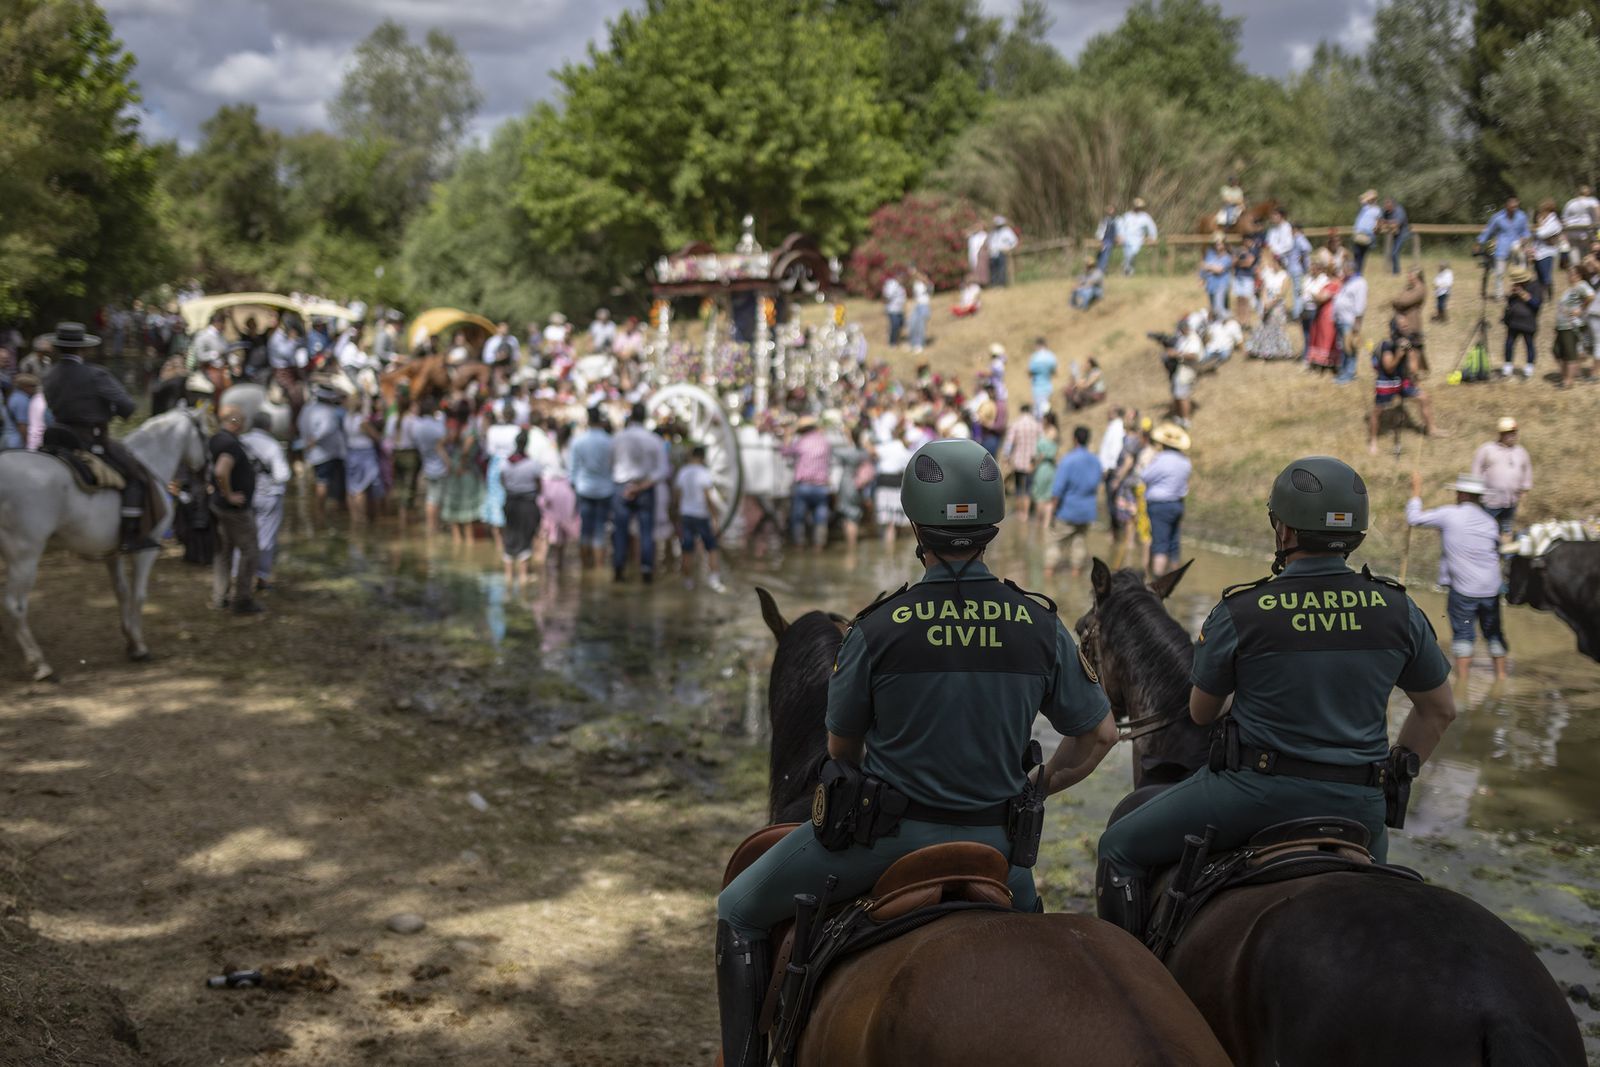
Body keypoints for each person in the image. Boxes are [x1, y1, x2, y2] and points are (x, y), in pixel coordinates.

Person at [714, 438, 1116, 1067]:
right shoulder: (1040, 624)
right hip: (1000, 854)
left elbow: (840, 748)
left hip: (884, 843)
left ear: (913, 523)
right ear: (992, 525)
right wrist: (1037, 789)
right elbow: (1100, 736)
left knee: (737, 910)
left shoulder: (877, 627)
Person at [1096, 456, 1458, 940]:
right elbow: (1440, 710)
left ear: (1284, 532)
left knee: (1119, 845)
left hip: (1254, 796)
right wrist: (1391, 771)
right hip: (1360, 811)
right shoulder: (1399, 609)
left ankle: (1131, 977)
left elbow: (1201, 713)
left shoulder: (1241, 609)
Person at [40, 323, 158, 552]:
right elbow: (127, 406)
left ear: (58, 348)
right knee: (137, 477)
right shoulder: (95, 374)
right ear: (83, 349)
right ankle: (130, 534)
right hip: (90, 439)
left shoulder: (48, 375)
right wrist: (107, 412)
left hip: (55, 438)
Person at [1407, 473, 1508, 681]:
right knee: (1494, 632)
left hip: (1464, 590)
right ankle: (1501, 677)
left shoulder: (1450, 515)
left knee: (1463, 635)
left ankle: (1462, 684)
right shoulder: (1489, 521)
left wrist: (1416, 492)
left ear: (1461, 494)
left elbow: (1414, 519)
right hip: (1490, 588)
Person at [207, 406, 262, 614]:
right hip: (235, 510)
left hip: (220, 507)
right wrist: (229, 494)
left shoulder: (217, 439)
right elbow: (221, 470)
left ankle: (219, 596)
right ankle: (242, 599)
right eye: (242, 420)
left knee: (224, 551)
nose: (244, 424)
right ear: (235, 422)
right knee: (250, 551)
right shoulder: (230, 444)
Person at [241, 411, 289, 592]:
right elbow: (282, 475)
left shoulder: (242, 441)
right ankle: (260, 578)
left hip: (244, 496)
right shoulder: (272, 446)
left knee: (243, 538)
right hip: (268, 497)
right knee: (265, 539)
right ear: (269, 427)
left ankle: (239, 576)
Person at [610, 403, 659, 582]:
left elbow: (611, 464)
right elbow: (662, 470)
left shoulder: (618, 437)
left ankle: (619, 568)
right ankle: (646, 570)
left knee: (620, 530)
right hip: (644, 487)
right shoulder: (653, 439)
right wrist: (640, 486)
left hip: (622, 487)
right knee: (646, 532)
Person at [1367, 336, 1439, 455]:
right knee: (1377, 411)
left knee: (1424, 397)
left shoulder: (1410, 348)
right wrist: (1398, 355)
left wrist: (1411, 354)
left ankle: (1431, 429)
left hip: (1402, 381)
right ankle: (1373, 441)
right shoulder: (1387, 346)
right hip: (1386, 381)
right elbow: (1389, 368)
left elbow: (1414, 370)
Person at [1050, 426, 1101, 578]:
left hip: (1067, 510)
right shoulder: (1095, 461)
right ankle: (1075, 573)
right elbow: (1097, 483)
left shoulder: (1068, 460)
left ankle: (1048, 575)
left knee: (1056, 544)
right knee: (1079, 543)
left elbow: (1057, 490)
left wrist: (1052, 511)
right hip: (1087, 511)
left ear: (1075, 439)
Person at [1141, 423, 1190, 577]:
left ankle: (1157, 581)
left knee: (1160, 544)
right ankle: (1174, 579)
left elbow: (1145, 476)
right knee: (1174, 544)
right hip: (1177, 504)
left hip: (1159, 506)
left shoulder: (1161, 459)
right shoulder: (1185, 462)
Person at [673, 445, 725, 591]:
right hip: (701, 516)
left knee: (687, 548)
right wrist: (715, 517)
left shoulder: (683, 472)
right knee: (712, 547)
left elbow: (677, 496)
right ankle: (714, 578)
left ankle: (687, 581)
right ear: (702, 457)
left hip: (686, 515)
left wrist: (676, 514)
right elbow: (708, 496)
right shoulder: (704, 473)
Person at [1470, 417, 1532, 537]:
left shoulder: (1520, 452)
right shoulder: (1487, 449)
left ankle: (1505, 554)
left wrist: (1524, 491)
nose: (1511, 436)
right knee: (1486, 529)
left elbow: (1527, 471)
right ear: (1501, 434)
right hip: (1490, 501)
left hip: (1511, 501)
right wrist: (1475, 491)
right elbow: (1476, 470)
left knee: (1506, 529)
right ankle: (1486, 552)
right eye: (1508, 433)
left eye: (1513, 433)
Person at [570, 407, 615, 570]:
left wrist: (574, 487)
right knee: (600, 530)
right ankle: (598, 567)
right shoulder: (610, 441)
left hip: (584, 489)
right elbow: (613, 467)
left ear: (588, 420)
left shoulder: (578, 441)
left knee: (585, 529)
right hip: (605, 490)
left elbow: (573, 470)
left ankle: (585, 567)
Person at [298, 382, 347, 524]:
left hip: (314, 453)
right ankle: (326, 512)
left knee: (320, 480)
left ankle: (319, 511)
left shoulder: (306, 409)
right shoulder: (327, 411)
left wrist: (308, 440)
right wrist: (314, 439)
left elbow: (299, 424)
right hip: (328, 453)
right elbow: (327, 429)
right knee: (326, 483)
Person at [500, 429, 543, 587]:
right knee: (525, 537)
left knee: (510, 536)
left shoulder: (505, 462)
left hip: (510, 502)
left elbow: (502, 481)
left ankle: (508, 576)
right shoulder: (532, 464)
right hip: (527, 503)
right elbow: (540, 486)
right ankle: (523, 576)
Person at [783, 414, 833, 549]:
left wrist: (787, 437)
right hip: (821, 486)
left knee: (798, 518)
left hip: (803, 486)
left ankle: (799, 545)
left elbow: (785, 452)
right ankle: (819, 546)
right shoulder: (825, 442)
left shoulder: (801, 442)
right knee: (821, 518)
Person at [440, 403, 485, 546]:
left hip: (455, 472)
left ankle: (457, 544)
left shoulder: (454, 431)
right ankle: (469, 546)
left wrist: (449, 462)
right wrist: (461, 464)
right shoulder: (471, 432)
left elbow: (439, 445)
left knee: (454, 511)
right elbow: (466, 451)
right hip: (466, 472)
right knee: (467, 517)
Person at [1476, 196, 1529, 299]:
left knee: (1520, 271)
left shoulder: (1522, 216)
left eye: (1516, 207)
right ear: (1507, 206)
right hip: (1502, 248)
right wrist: (1480, 242)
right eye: (1512, 207)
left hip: (1517, 248)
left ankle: (1520, 293)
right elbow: (1488, 231)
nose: (1514, 209)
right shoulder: (1497, 218)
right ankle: (1499, 295)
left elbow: (1525, 231)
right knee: (1499, 273)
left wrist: (1525, 238)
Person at [411, 395, 448, 537]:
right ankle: (435, 527)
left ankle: (431, 526)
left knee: (430, 497)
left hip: (426, 463)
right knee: (435, 498)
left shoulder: (417, 425)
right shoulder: (435, 425)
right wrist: (448, 463)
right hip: (438, 465)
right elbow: (441, 443)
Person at [1553, 264, 1595, 388]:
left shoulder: (1582, 285)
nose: (1569, 276)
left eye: (1572, 274)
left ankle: (1568, 381)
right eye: (1569, 274)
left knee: (1569, 353)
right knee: (1557, 351)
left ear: (1579, 275)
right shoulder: (1571, 288)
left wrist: (1581, 309)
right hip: (1562, 325)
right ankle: (1567, 374)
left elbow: (1591, 296)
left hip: (1570, 325)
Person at [343, 399, 383, 525]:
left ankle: (354, 518)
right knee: (361, 488)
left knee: (351, 488)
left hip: (351, 452)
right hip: (364, 454)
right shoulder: (361, 421)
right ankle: (362, 518)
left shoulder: (346, 418)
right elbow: (375, 436)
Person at [1249, 250, 1294, 360]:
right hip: (1266, 302)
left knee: (1276, 327)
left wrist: (1271, 303)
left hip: (1277, 304)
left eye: (1274, 263)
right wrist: (1264, 302)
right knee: (1264, 326)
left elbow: (1282, 293)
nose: (1272, 265)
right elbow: (1264, 288)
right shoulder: (1269, 274)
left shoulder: (1285, 276)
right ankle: (1264, 350)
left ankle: (1281, 351)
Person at [1000, 402, 1041, 520]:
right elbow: (1041, 442)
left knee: (1018, 487)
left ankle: (1018, 513)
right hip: (1031, 461)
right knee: (1028, 488)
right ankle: (1026, 514)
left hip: (1018, 460)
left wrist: (1006, 457)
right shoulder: (1036, 425)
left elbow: (1009, 443)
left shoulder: (1016, 424)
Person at [1501, 264, 1543, 379]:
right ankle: (1507, 367)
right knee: (1509, 344)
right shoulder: (1516, 286)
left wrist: (1523, 294)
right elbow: (1510, 302)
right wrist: (1512, 295)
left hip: (1528, 322)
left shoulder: (1535, 287)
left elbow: (1536, 304)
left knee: (1529, 344)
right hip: (1513, 321)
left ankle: (1529, 368)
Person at [1304, 252, 1342, 372]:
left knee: (1326, 337)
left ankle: (1326, 363)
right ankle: (1319, 362)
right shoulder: (1331, 282)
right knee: (1319, 336)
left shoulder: (1334, 283)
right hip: (1323, 312)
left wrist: (1312, 294)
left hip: (1328, 313)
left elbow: (1321, 298)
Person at [1333, 260, 1368, 383]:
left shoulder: (1360, 283)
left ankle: (1349, 373)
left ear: (1351, 269)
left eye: (1345, 269)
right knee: (1343, 347)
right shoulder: (1348, 281)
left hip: (1350, 320)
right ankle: (1343, 370)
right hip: (1341, 319)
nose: (1343, 271)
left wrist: (1357, 323)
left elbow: (1360, 303)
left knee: (1350, 347)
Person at [1096, 407, 1126, 533]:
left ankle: (1115, 529)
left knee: (1112, 500)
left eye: (1110, 411)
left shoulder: (1116, 428)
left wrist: (1107, 468)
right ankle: (1114, 527)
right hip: (1110, 468)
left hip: (1111, 469)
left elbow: (1114, 450)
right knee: (1112, 499)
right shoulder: (1114, 427)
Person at [2, 373, 47, 450]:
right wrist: (29, 446)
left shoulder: (14, 397)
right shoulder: (22, 401)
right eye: (33, 386)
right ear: (24, 387)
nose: (35, 389)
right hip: (18, 443)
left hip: (9, 439)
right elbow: (22, 425)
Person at [1030, 415, 1060, 528]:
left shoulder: (1048, 433)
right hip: (1051, 468)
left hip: (1043, 467)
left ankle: (1039, 523)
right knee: (1048, 496)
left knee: (1039, 496)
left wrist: (1034, 464)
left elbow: (1042, 454)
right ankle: (1046, 525)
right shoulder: (1054, 432)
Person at [1119, 198, 1158, 276]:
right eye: (1136, 206)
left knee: (1133, 253)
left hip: (1138, 239)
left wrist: (1152, 237)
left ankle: (1125, 267)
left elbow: (1152, 227)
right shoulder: (1127, 216)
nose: (1137, 208)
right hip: (1126, 238)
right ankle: (1129, 273)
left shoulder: (1145, 217)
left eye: (1139, 206)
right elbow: (1121, 227)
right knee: (1127, 255)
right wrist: (1121, 236)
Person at [1561, 185, 1599, 259]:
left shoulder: (1570, 203)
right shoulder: (1592, 200)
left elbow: (1564, 220)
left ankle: (1576, 268)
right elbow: (1598, 214)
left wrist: (1565, 234)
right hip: (1587, 233)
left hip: (1571, 233)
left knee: (1574, 256)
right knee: (1587, 256)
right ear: (1588, 192)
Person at [1531, 199, 1562, 291]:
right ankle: (1541, 296)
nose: (1540, 213)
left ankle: (1548, 297)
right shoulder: (1545, 221)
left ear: (1547, 211)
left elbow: (1541, 234)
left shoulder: (1554, 222)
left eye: (1541, 210)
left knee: (1546, 277)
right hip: (1538, 252)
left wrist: (1539, 226)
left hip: (1547, 253)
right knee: (1539, 275)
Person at [1201, 236, 1232, 317]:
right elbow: (1203, 266)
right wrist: (1203, 276)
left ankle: (1228, 322)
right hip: (1210, 285)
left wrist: (1208, 267)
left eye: (1219, 244)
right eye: (1216, 244)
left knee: (1219, 308)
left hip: (1221, 285)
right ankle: (1216, 325)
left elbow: (1219, 270)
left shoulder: (1227, 257)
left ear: (1224, 244)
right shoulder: (1210, 254)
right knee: (1213, 308)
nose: (1217, 246)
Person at [1352, 190, 1381, 274]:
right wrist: (1369, 196)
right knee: (1357, 256)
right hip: (1359, 234)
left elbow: (1378, 224)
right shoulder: (1365, 207)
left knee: (1360, 257)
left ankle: (1357, 275)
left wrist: (1375, 232)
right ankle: (1356, 274)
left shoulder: (1377, 210)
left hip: (1367, 235)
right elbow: (1361, 199)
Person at [1027, 338, 1057, 415]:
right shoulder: (1051, 356)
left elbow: (1029, 373)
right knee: (1047, 409)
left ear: (1038, 345)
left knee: (1039, 412)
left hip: (1037, 387)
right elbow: (1054, 372)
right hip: (1048, 386)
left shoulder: (1034, 357)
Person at [906, 268, 932, 353]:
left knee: (921, 326)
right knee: (912, 324)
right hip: (916, 306)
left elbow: (929, 287)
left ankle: (920, 344)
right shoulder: (916, 284)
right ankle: (912, 343)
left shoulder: (928, 284)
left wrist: (918, 273)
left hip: (924, 306)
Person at [988, 216, 1019, 286]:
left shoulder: (1007, 231)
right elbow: (989, 242)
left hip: (1002, 252)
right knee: (993, 269)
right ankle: (994, 284)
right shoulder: (993, 232)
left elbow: (1015, 241)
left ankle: (1001, 284)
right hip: (993, 253)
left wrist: (1009, 248)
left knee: (1001, 268)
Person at [881, 272, 907, 347]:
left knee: (900, 325)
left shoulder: (901, 286)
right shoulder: (892, 285)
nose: (903, 279)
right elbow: (887, 296)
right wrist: (885, 306)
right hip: (892, 309)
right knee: (895, 325)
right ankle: (892, 342)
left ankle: (896, 339)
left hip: (899, 309)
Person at [1095, 205, 1119, 274]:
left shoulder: (1117, 220)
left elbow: (1120, 230)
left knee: (1105, 252)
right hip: (1106, 239)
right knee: (1104, 252)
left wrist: (1118, 237)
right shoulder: (1104, 220)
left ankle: (1101, 269)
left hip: (1113, 240)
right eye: (1109, 210)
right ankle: (1101, 269)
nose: (1110, 212)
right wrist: (1100, 240)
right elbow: (1100, 231)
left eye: (1111, 210)